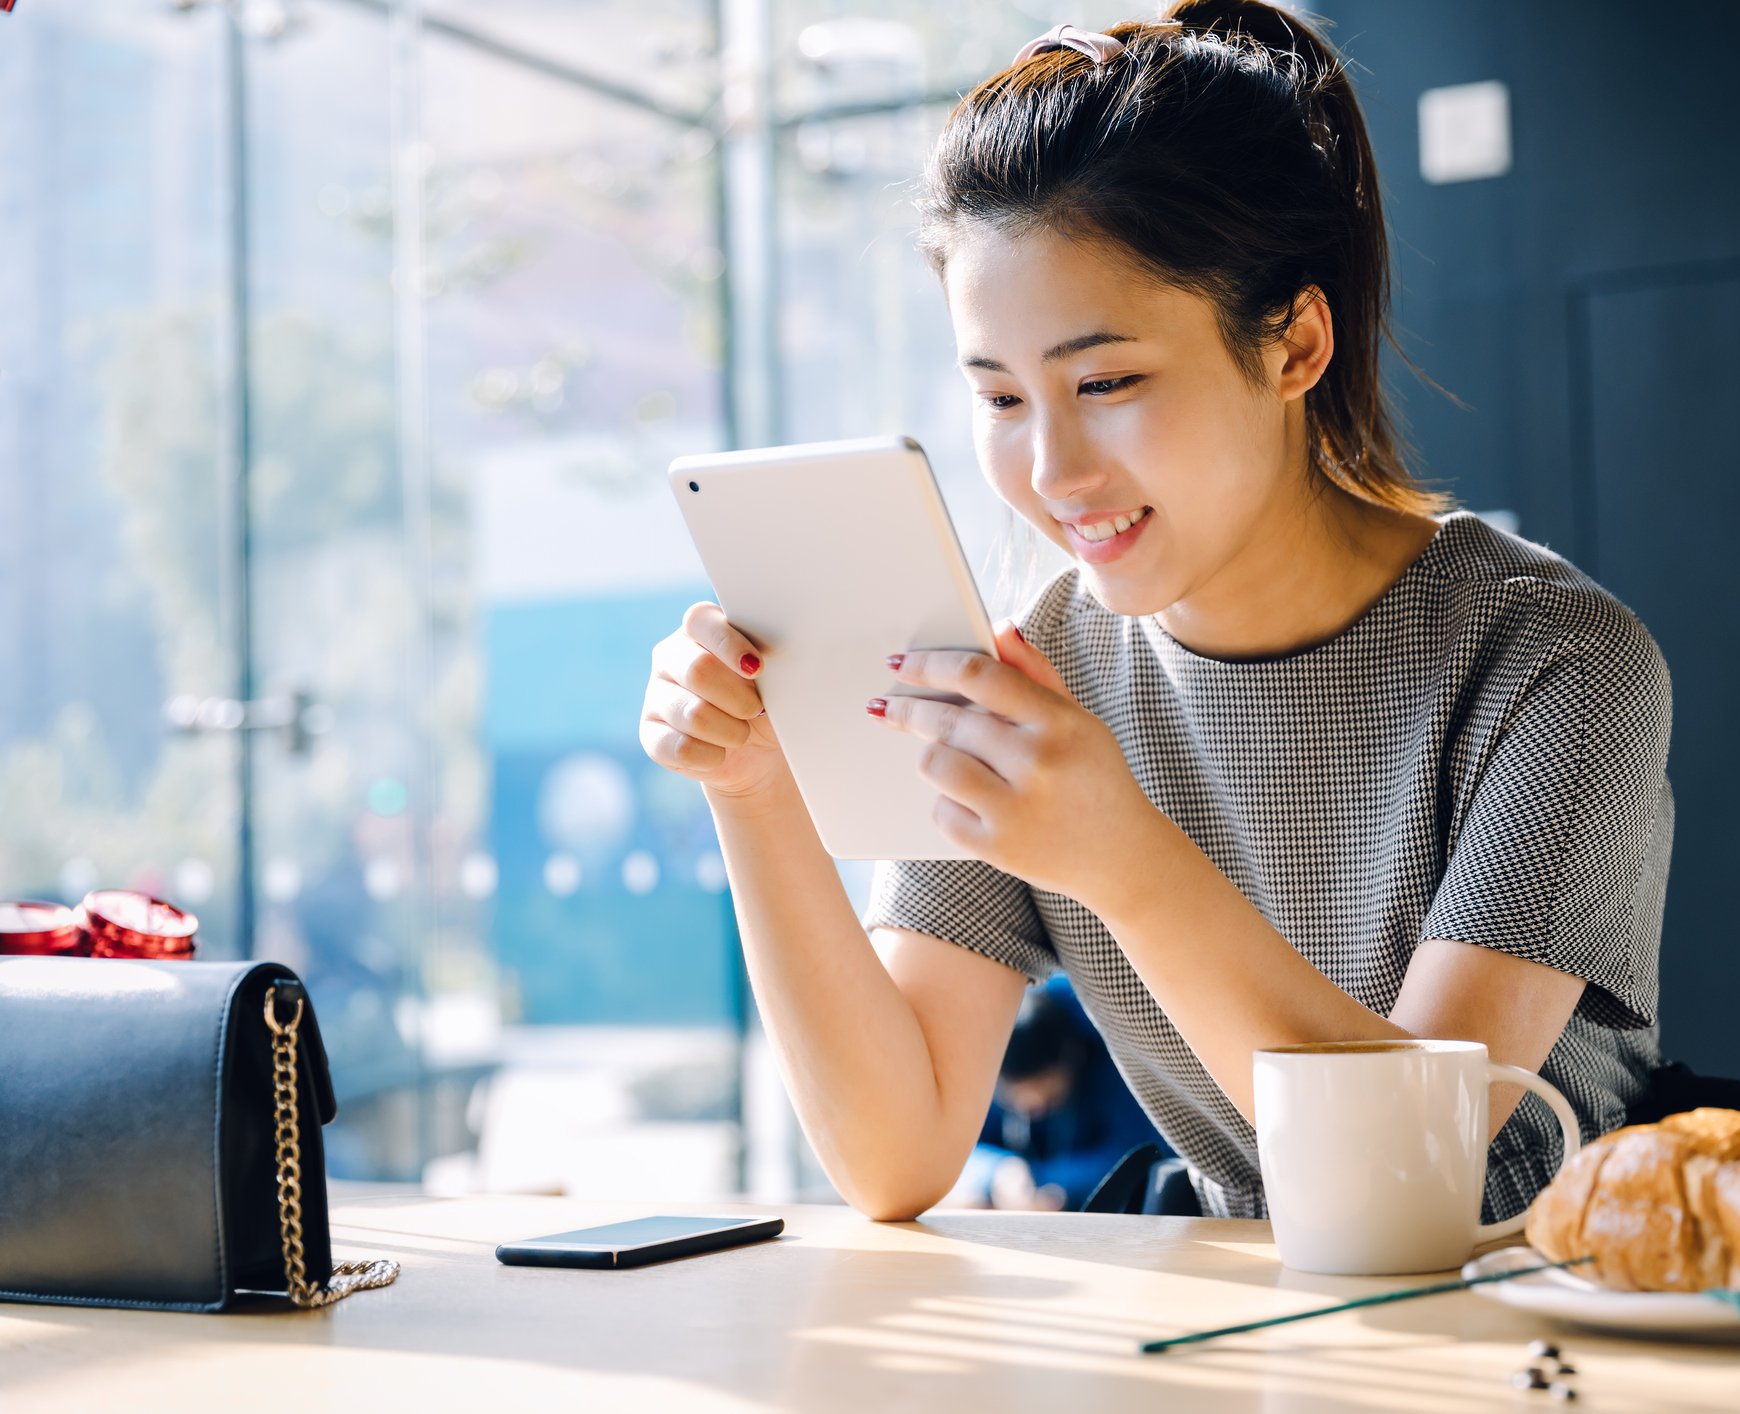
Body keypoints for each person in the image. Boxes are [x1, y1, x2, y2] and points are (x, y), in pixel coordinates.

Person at [639, 0, 1673, 1224]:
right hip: (1233, 1322)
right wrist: (756, 793)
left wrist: (1122, 858)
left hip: (1548, 1318)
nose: (1054, 471)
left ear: (1294, 344)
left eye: (1108, 381)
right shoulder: (1040, 664)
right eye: (1001, 398)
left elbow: (1420, 1181)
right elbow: (894, 1151)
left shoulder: (1552, 661)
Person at [952, 975, 1165, 1211]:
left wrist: (1044, 1181)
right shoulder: (988, 1059)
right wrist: (998, 1170)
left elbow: (1138, 1151)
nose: (1031, 1107)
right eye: (1013, 1099)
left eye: (1047, 1095)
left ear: (1072, 1056)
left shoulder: (1118, 1061)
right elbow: (958, 1145)